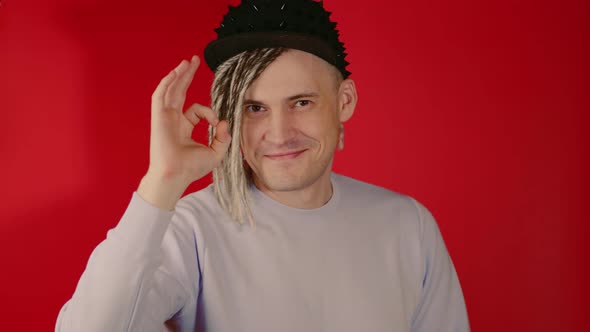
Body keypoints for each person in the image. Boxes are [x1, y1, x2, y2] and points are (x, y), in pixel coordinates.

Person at [56, 0, 470, 331]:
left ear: (344, 101)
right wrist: (163, 181)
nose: (278, 131)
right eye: (254, 108)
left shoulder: (407, 225)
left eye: (301, 102)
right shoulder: (190, 229)